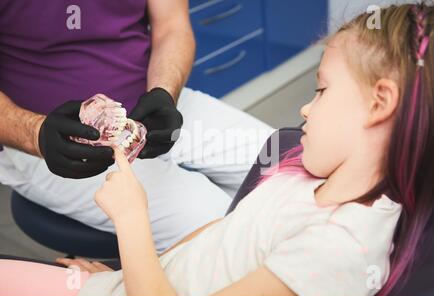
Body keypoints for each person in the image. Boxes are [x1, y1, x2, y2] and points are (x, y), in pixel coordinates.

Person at [2, 2, 434, 296]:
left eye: (322, 89)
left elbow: (174, 26)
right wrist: (126, 274)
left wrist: (132, 221)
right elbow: (220, 242)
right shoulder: (299, 178)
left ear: (380, 102)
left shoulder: (337, 249)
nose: (305, 107)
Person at [0, 0, 273, 254]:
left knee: (291, 167)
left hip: (151, 103)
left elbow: (171, 26)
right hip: (54, 137)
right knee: (215, 225)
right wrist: (35, 134)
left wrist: (164, 94)